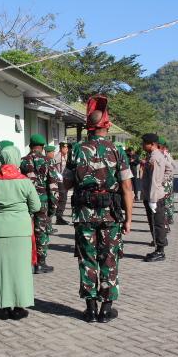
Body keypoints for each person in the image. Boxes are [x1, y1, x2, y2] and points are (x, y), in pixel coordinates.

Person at [64, 95, 133, 323]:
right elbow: (127, 187)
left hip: (84, 214)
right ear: (107, 125)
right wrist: (129, 219)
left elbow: (66, 184)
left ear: (88, 126)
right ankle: (106, 309)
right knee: (109, 258)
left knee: (87, 259)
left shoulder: (76, 150)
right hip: (110, 214)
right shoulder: (117, 150)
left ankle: (91, 309)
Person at [0, 144, 40, 319]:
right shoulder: (25, 181)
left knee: (2, 269)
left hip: (0, 229)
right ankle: (19, 307)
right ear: (16, 159)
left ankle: (4, 306)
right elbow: (36, 206)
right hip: (21, 230)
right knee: (21, 269)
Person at [20, 134, 58, 273]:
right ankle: (41, 263)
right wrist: (53, 207)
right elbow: (53, 185)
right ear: (42, 147)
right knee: (41, 231)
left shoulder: (22, 161)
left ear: (30, 146)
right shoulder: (47, 161)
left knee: (26, 231)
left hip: (26, 202)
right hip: (43, 202)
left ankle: (27, 262)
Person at [141, 134, 173, 262]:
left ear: (152, 144)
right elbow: (169, 169)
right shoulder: (154, 155)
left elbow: (154, 181)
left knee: (157, 224)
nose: (142, 145)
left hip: (154, 196)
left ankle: (160, 251)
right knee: (154, 222)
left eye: (144, 143)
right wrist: (162, 181)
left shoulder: (155, 158)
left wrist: (153, 199)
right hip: (153, 194)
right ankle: (158, 247)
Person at [158, 137, 176, 225]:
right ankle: (170, 216)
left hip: (165, 181)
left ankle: (166, 218)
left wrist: (164, 178)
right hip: (169, 180)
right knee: (169, 199)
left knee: (165, 200)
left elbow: (171, 167)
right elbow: (174, 165)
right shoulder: (167, 154)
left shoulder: (164, 155)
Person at [52, 142, 70, 225]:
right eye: (65, 148)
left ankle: (59, 217)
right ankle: (59, 217)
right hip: (60, 180)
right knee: (62, 198)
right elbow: (52, 166)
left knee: (63, 198)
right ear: (61, 148)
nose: (67, 149)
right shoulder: (58, 156)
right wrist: (57, 174)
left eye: (67, 148)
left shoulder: (65, 156)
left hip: (64, 180)